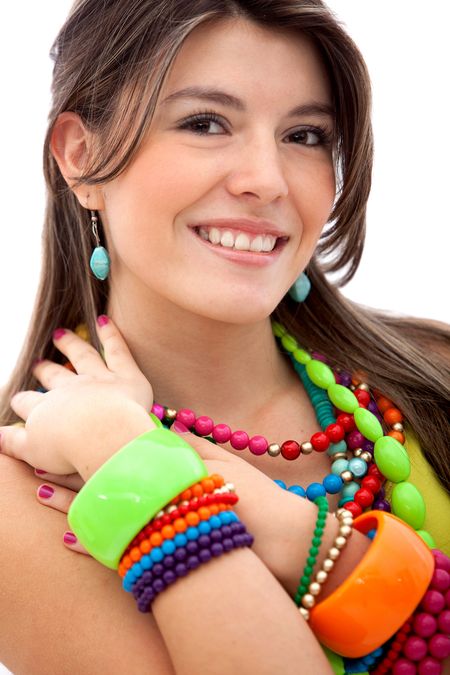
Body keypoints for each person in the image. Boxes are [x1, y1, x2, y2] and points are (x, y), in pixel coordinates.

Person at [0, 1, 449, 673]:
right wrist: (133, 464)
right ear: (81, 157)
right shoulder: (21, 502)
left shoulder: (433, 376)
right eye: (206, 123)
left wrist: (294, 533)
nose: (266, 181)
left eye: (304, 136)